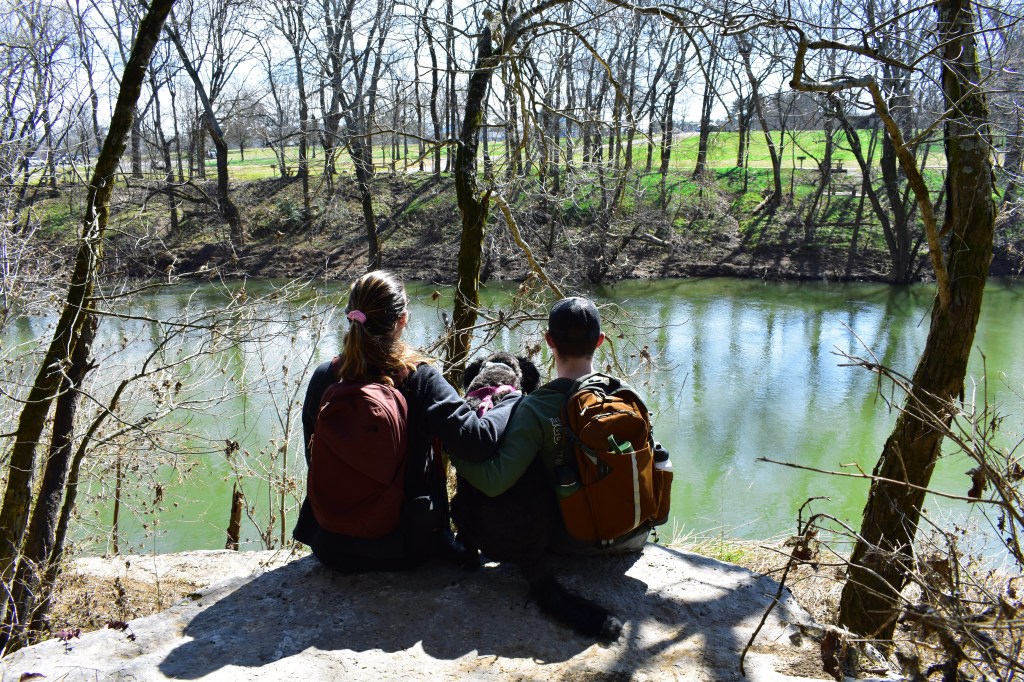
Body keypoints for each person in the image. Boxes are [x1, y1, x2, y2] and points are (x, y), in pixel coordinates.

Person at [292, 270, 517, 573]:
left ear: (351, 316)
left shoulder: (325, 376)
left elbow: (313, 456)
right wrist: (511, 398)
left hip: (330, 545)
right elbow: (477, 441)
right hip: (405, 547)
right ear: (403, 320)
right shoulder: (420, 379)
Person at [450, 296, 652, 558]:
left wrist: (454, 449)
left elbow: (494, 482)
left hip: (573, 541)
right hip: (634, 532)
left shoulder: (534, 408)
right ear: (600, 340)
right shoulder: (625, 394)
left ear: (549, 341)